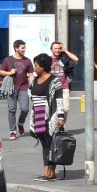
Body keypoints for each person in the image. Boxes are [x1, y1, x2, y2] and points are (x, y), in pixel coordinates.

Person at [29, 52, 67, 181]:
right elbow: (31, 93)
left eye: (36, 65)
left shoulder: (54, 81)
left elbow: (59, 100)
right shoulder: (35, 80)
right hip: (37, 115)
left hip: (49, 116)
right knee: (45, 144)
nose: (35, 68)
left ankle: (52, 172)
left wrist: (61, 117)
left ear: (43, 66)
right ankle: (45, 171)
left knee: (51, 144)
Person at [0, 39, 33, 139]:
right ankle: (12, 131)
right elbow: (0, 72)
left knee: (25, 109)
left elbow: (30, 74)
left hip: (23, 87)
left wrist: (32, 84)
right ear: (16, 48)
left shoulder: (28, 60)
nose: (24, 49)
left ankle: (20, 123)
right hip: (11, 88)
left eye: (24, 47)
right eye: (22, 48)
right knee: (12, 110)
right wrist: (9, 73)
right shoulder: (8, 60)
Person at [49, 40, 79, 111]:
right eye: (55, 48)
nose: (57, 50)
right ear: (51, 49)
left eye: (59, 48)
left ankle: (62, 121)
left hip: (64, 87)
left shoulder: (64, 58)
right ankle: (55, 122)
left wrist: (65, 50)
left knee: (65, 109)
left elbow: (76, 59)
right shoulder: (48, 59)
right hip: (51, 88)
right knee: (53, 109)